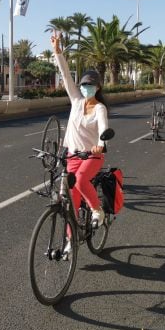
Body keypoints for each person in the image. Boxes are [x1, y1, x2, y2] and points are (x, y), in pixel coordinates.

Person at [51, 31, 108, 230]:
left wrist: (100, 145)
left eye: (90, 85)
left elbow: (103, 129)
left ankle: (97, 210)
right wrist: (58, 52)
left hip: (91, 156)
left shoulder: (100, 108)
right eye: (83, 85)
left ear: (98, 87)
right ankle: (69, 242)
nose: (86, 88)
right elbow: (66, 75)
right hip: (72, 156)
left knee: (82, 180)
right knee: (70, 202)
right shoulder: (76, 101)